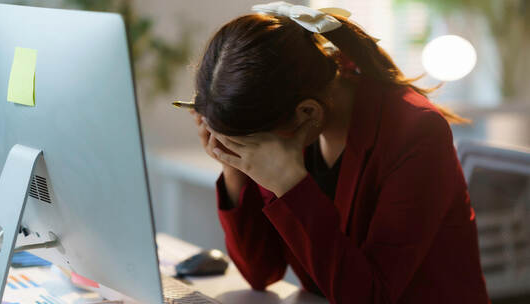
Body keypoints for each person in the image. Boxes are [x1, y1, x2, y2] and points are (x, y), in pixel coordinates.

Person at [188, 2, 490, 303]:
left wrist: (290, 184)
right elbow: (261, 272)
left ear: (308, 112)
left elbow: (371, 297)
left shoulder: (416, 132)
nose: (248, 148)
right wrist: (233, 168)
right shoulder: (292, 123)